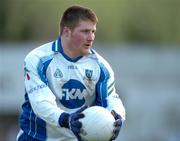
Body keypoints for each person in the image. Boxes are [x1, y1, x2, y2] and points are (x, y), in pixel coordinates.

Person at [17, 5, 126, 141]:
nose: (91, 37)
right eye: (85, 31)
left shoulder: (101, 67)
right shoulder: (38, 59)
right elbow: (41, 102)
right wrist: (66, 119)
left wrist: (117, 116)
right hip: (36, 137)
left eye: (93, 31)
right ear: (67, 32)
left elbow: (110, 99)